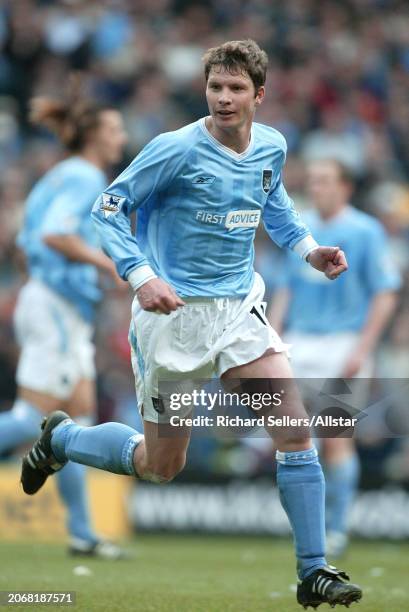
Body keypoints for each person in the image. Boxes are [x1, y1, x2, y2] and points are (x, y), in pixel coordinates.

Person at [21, 40, 362, 608]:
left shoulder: (272, 146)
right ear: (205, 89)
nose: (224, 98)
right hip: (171, 318)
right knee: (161, 466)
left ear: (259, 95)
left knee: (295, 430)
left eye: (235, 89)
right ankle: (61, 439)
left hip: (237, 312)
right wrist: (140, 275)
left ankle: (313, 571)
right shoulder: (174, 149)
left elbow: (273, 203)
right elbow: (108, 207)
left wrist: (308, 249)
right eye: (215, 87)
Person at [1, 92, 128, 558]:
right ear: (94, 135)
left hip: (58, 304)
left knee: (76, 427)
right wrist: (105, 263)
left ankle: (83, 534)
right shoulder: (83, 175)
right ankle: (84, 533)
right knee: (28, 420)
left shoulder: (56, 175)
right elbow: (55, 234)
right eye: (115, 129)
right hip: (56, 305)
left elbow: (24, 240)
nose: (122, 138)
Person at [268, 159, 400, 557]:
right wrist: (272, 335)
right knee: (291, 437)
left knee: (336, 439)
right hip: (299, 343)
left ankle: (337, 529)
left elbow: (385, 292)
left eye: (325, 181)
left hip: (342, 343)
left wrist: (362, 348)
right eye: (313, 182)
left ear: (344, 187)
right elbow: (287, 288)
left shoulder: (365, 230)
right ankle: (306, 528)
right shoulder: (302, 228)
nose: (317, 188)